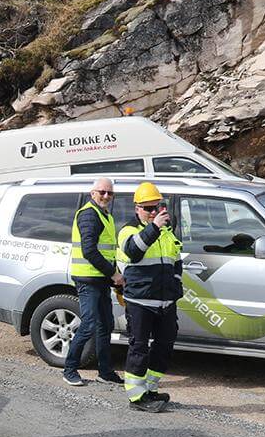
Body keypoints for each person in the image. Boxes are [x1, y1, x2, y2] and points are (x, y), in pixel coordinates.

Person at [117, 182, 183, 412]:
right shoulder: (129, 230)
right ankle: (136, 396)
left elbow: (176, 262)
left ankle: (150, 388)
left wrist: (176, 286)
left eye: (157, 207)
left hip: (166, 301)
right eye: (148, 208)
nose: (154, 212)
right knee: (140, 347)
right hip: (141, 302)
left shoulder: (166, 232)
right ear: (137, 209)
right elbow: (134, 252)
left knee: (165, 344)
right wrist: (153, 226)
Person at [62, 177, 125, 387]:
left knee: (105, 325)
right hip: (88, 280)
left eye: (109, 193)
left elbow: (108, 253)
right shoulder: (89, 214)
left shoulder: (104, 215)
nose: (106, 196)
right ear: (92, 193)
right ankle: (69, 369)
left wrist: (114, 277)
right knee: (88, 324)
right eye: (102, 192)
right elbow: (89, 251)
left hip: (100, 279)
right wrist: (113, 274)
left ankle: (105, 372)